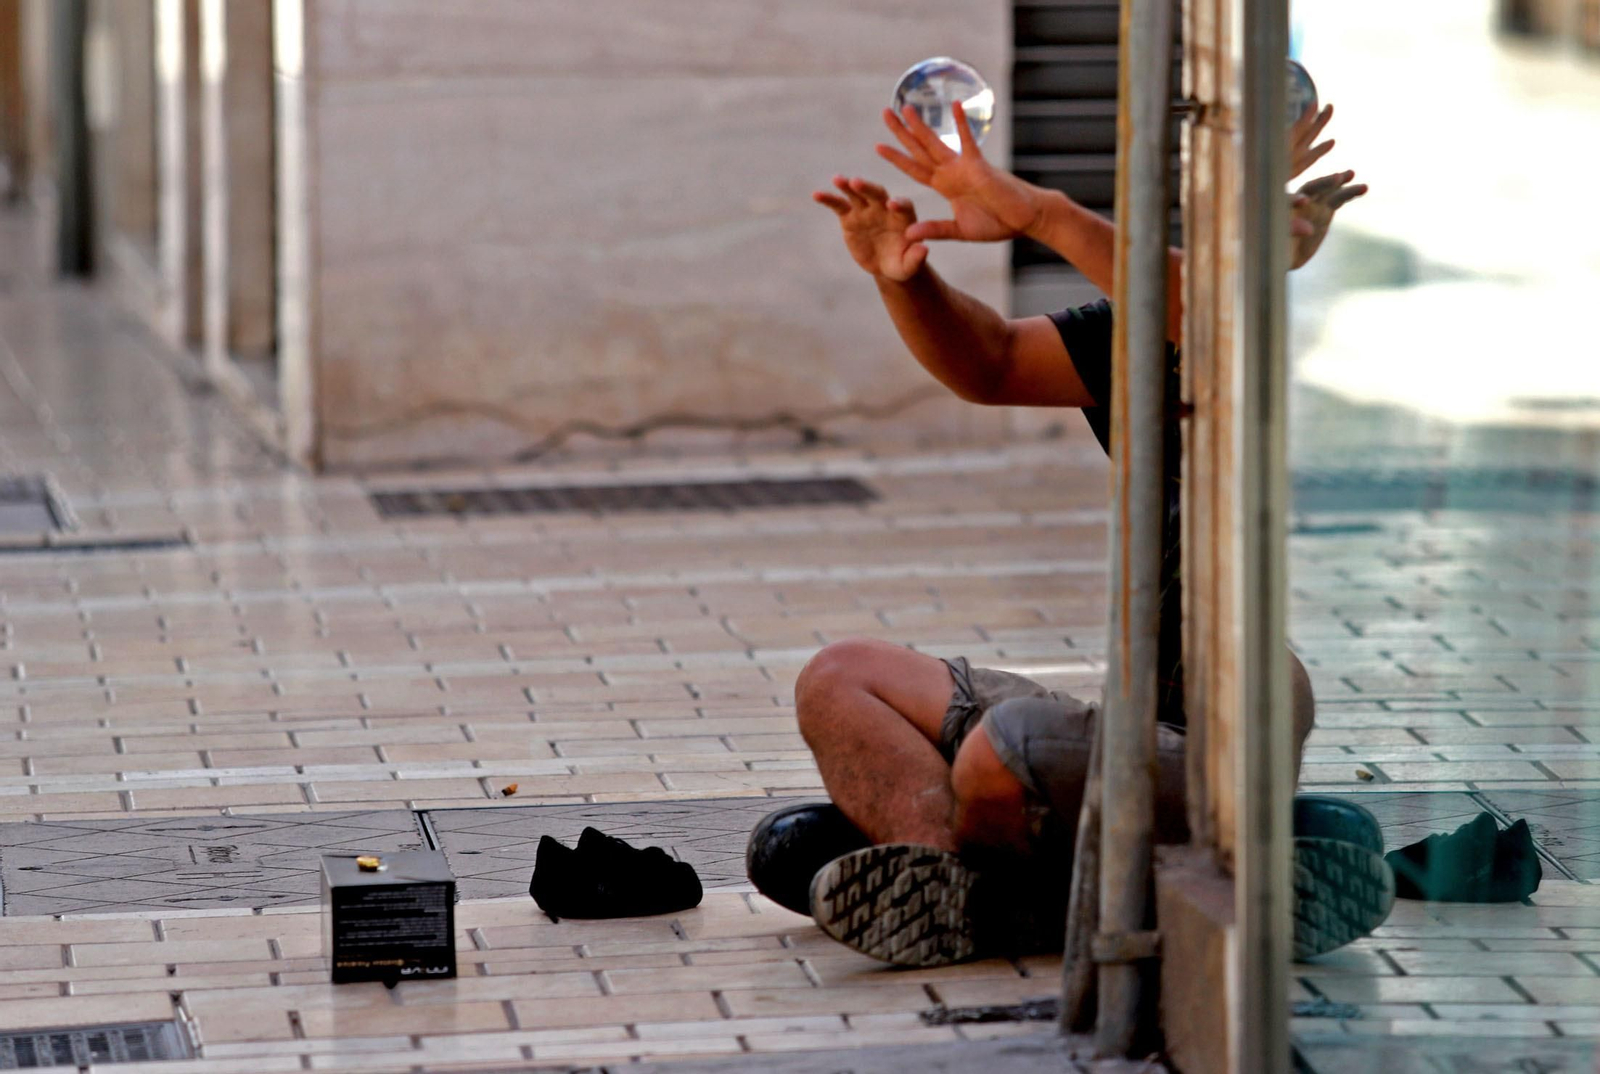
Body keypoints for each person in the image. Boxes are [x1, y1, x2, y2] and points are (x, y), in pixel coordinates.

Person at [745, 99, 1394, 968]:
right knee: (840, 681)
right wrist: (905, 279)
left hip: (1218, 730)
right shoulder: (1142, 327)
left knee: (995, 760)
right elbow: (995, 362)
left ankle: (1032, 899)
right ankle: (967, 884)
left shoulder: (1237, 331)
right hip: (1121, 730)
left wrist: (1039, 212)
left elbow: (1197, 302)